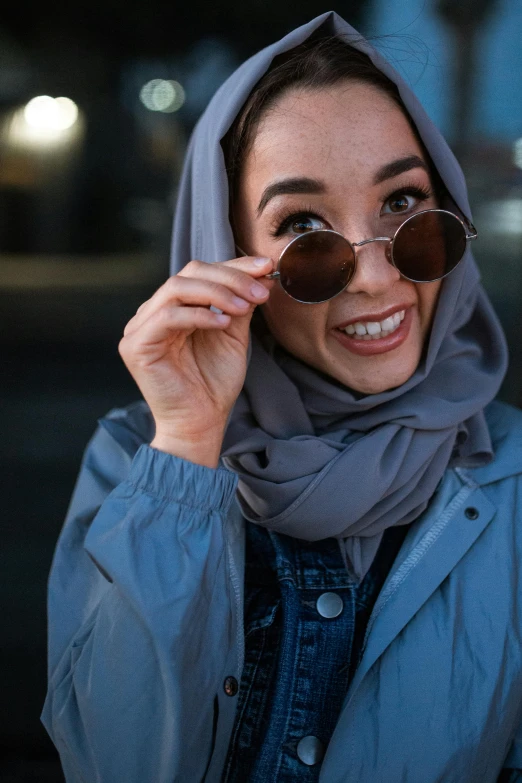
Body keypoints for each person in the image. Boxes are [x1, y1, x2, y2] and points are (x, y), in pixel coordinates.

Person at [42, 11, 522, 783]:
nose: (374, 276)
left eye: (403, 203)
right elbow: (112, 762)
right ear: (227, 256)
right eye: (303, 226)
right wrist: (189, 444)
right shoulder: (136, 461)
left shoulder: (513, 480)